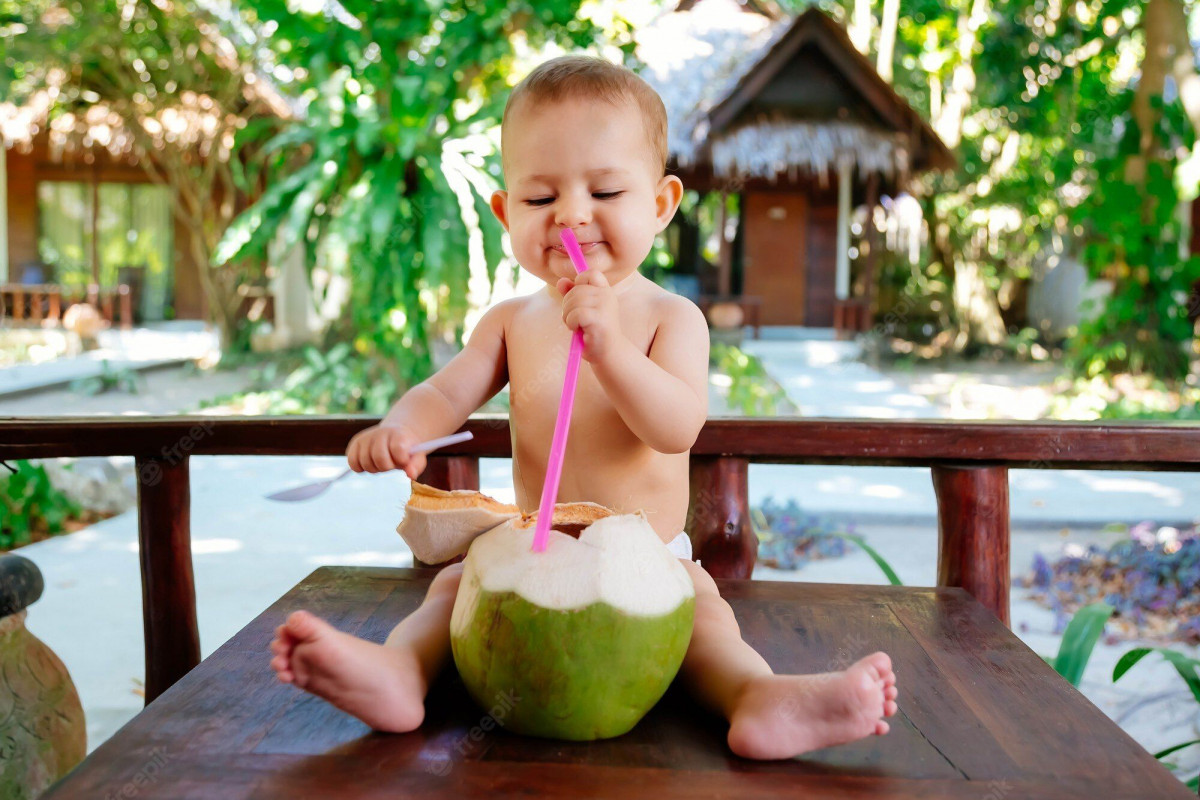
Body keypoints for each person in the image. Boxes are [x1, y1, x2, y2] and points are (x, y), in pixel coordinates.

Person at [269, 54, 897, 759]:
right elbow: (447, 391)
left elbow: (676, 426)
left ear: (659, 205)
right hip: (532, 550)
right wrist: (402, 428)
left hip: (646, 557)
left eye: (604, 190)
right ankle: (399, 672)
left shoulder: (670, 317)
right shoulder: (509, 321)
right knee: (450, 589)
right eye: (540, 200)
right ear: (507, 212)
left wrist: (610, 351)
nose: (571, 214)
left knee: (705, 613)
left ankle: (757, 697)